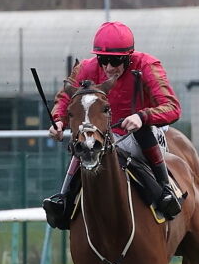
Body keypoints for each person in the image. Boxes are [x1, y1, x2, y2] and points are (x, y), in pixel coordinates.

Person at [43, 21, 182, 230]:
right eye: (103, 59)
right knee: (84, 140)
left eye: (115, 60)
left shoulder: (147, 65)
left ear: (128, 57)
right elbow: (65, 98)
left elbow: (172, 107)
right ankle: (64, 198)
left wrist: (142, 116)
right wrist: (58, 120)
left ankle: (165, 190)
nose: (108, 67)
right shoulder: (86, 68)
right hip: (103, 134)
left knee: (142, 132)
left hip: (141, 133)